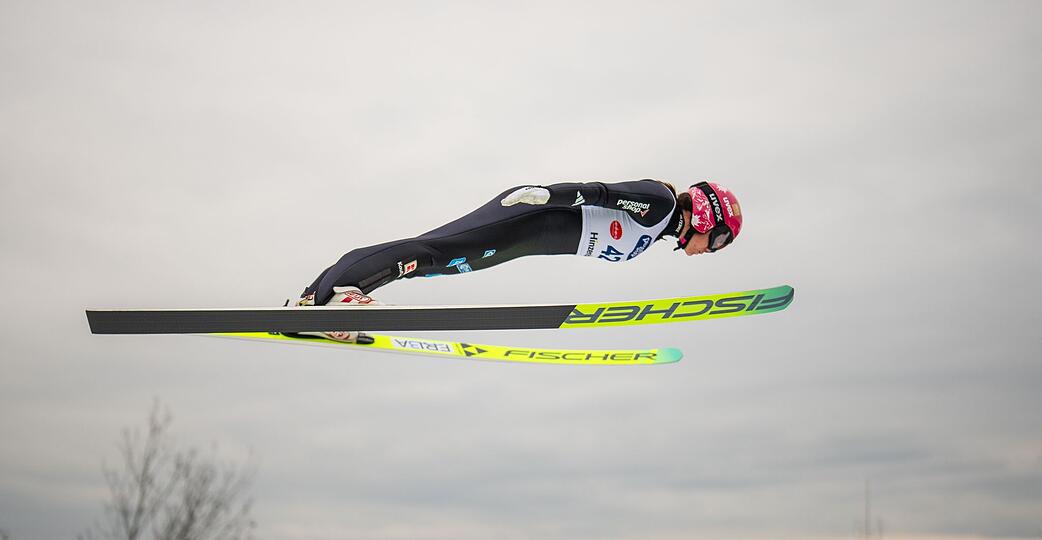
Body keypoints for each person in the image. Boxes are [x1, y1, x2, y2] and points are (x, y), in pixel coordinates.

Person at [294, 179, 743, 342]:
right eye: (719, 238)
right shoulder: (661, 202)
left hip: (525, 239)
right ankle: (342, 296)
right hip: (531, 215)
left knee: (433, 257)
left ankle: (315, 300)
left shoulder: (660, 226)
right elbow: (604, 193)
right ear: (707, 216)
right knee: (432, 252)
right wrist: (549, 195)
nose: (713, 248)